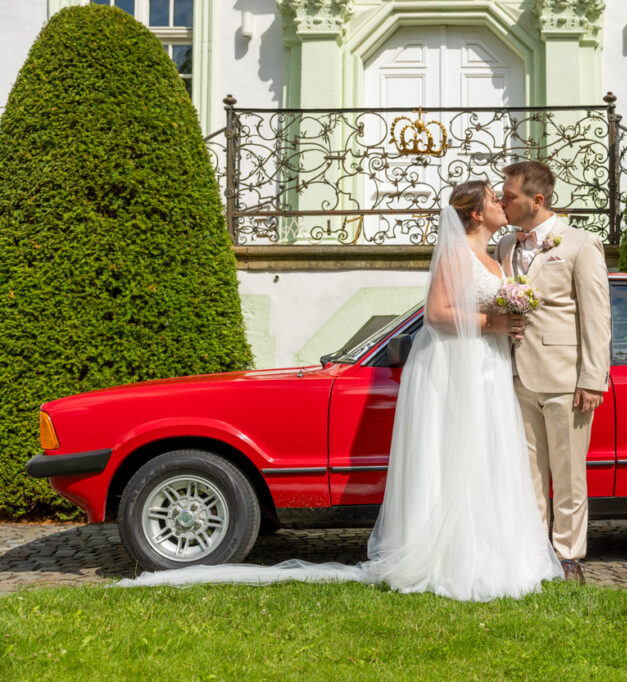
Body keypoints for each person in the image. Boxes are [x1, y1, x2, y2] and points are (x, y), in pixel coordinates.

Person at [115, 181, 563, 601]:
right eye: (493, 197)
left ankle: (491, 549)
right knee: (455, 455)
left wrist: (506, 320)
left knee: (487, 456)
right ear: (474, 212)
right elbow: (437, 316)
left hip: (487, 368)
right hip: (458, 368)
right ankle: (453, 555)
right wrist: (494, 323)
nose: (501, 203)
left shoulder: (498, 255)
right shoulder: (454, 256)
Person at [496, 161, 612, 584]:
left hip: (566, 379)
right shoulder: (506, 246)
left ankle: (568, 558)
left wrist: (592, 378)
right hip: (515, 375)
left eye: (508, 196)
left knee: (567, 474)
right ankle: (533, 556)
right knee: (526, 474)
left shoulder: (581, 244)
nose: (502, 201)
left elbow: (597, 316)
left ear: (536, 200)